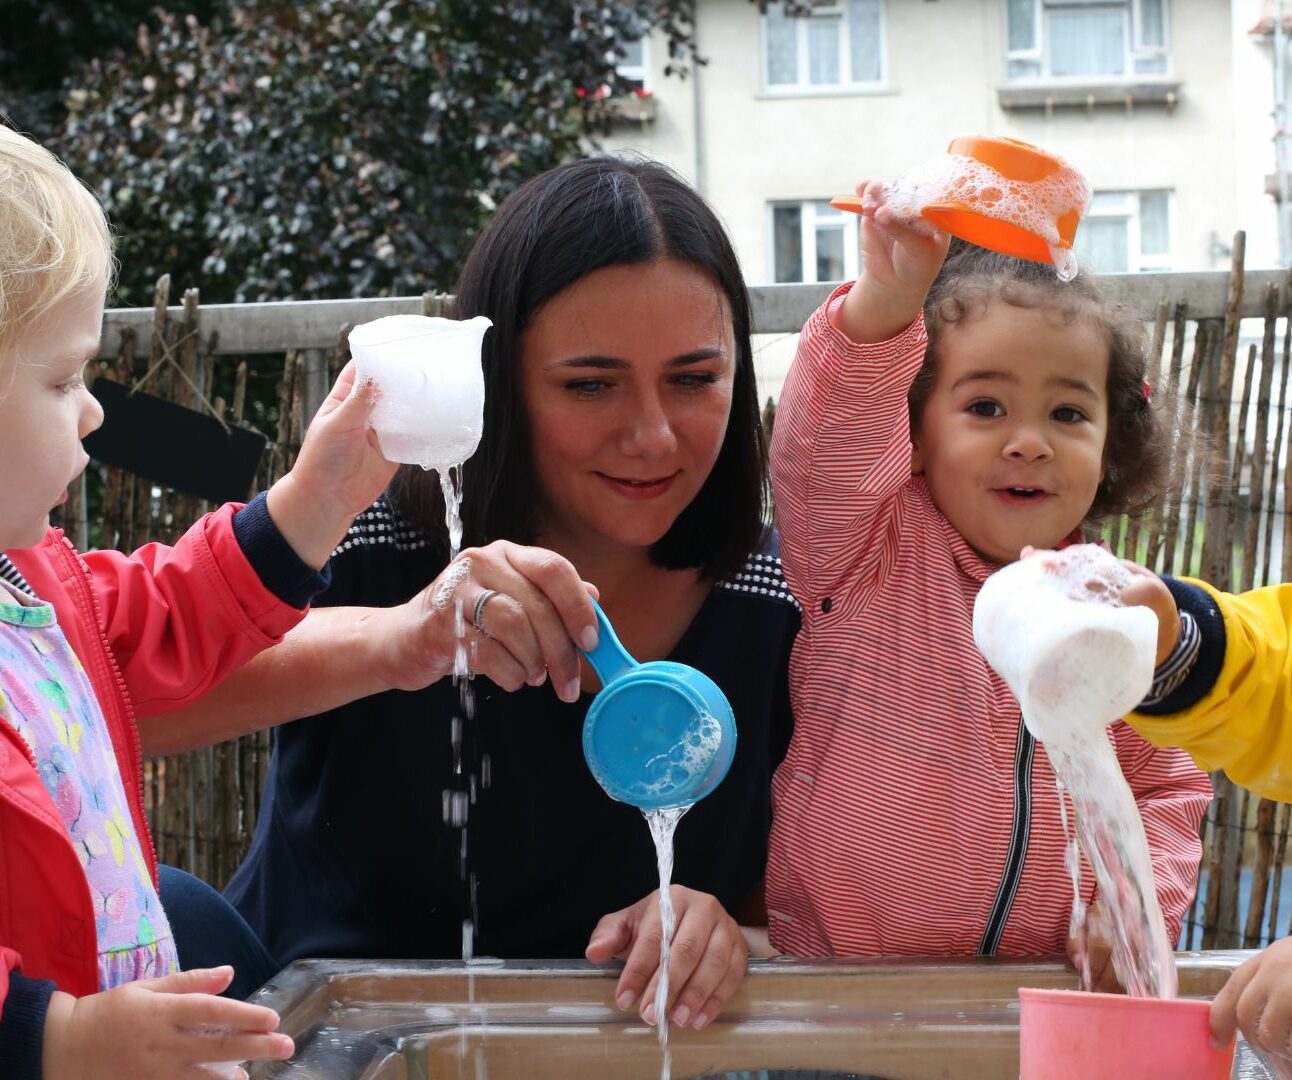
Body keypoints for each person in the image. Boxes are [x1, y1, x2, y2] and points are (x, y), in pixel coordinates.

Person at [154, 156, 799, 1033]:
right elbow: (127, 704)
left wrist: (730, 937)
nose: (651, 435)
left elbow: (804, 915)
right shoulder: (377, 547)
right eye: (589, 384)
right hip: (307, 1039)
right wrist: (403, 638)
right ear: (496, 380)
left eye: (694, 379)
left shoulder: (778, 605)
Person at [0, 126, 400, 1078]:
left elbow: (163, 616)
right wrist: (49, 1037)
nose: (94, 409)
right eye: (63, 380)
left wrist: (314, 505)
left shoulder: (31, 581)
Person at [763, 181, 1211, 987]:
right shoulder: (864, 554)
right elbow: (824, 439)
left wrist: (1137, 903)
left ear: (1112, 446)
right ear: (915, 432)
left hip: (1033, 1005)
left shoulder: (1113, 610)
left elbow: (1167, 785)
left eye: (1068, 415)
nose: (1030, 443)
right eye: (986, 406)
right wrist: (885, 302)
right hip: (838, 995)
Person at [1050, 559, 1292, 1059]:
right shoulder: (1095, 609)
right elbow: (1273, 684)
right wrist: (1179, 652)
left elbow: (1166, 789)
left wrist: (1141, 905)